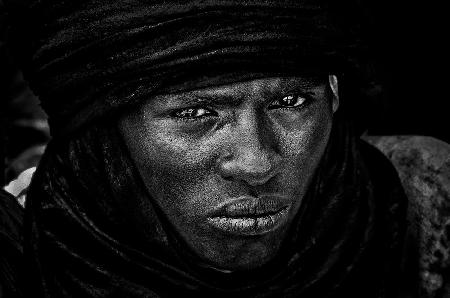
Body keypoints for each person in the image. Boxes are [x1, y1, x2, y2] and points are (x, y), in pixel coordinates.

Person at [1, 0, 431, 297]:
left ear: (335, 97)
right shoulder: (20, 254)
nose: (257, 162)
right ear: (103, 132)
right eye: (197, 112)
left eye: (290, 103)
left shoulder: (419, 203)